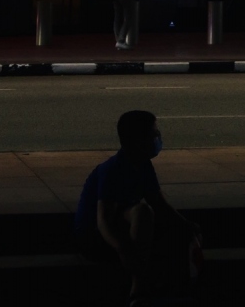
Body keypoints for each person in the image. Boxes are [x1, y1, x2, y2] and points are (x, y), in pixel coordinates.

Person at [74, 109, 200, 302]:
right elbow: (103, 221)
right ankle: (138, 287)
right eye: (153, 134)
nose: (157, 138)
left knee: (164, 227)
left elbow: (160, 204)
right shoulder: (113, 169)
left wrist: (187, 226)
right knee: (143, 213)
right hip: (95, 238)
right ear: (137, 139)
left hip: (121, 228)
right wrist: (123, 248)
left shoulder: (143, 165)